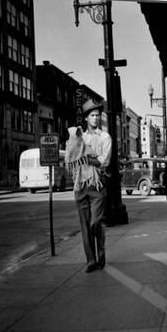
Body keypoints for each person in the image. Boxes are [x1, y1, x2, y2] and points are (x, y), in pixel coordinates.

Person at [65, 99, 112, 273]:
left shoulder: (105, 137)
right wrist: (82, 155)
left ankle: (101, 255)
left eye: (98, 115)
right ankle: (91, 260)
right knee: (85, 225)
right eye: (92, 115)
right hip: (80, 185)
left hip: (97, 185)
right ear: (86, 118)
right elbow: (71, 158)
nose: (96, 118)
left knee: (95, 222)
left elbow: (104, 162)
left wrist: (85, 157)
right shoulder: (79, 137)